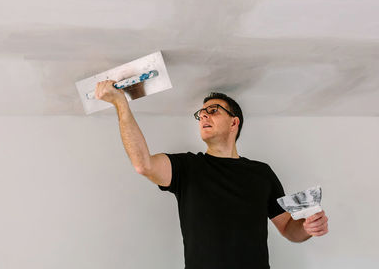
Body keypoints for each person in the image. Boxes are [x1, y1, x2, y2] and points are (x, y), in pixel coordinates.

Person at [95, 80, 329, 269]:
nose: (204, 116)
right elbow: (143, 165)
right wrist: (121, 104)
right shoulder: (187, 168)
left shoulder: (261, 173)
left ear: (233, 122)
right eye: (201, 114)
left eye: (213, 111)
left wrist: (308, 228)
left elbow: (289, 228)